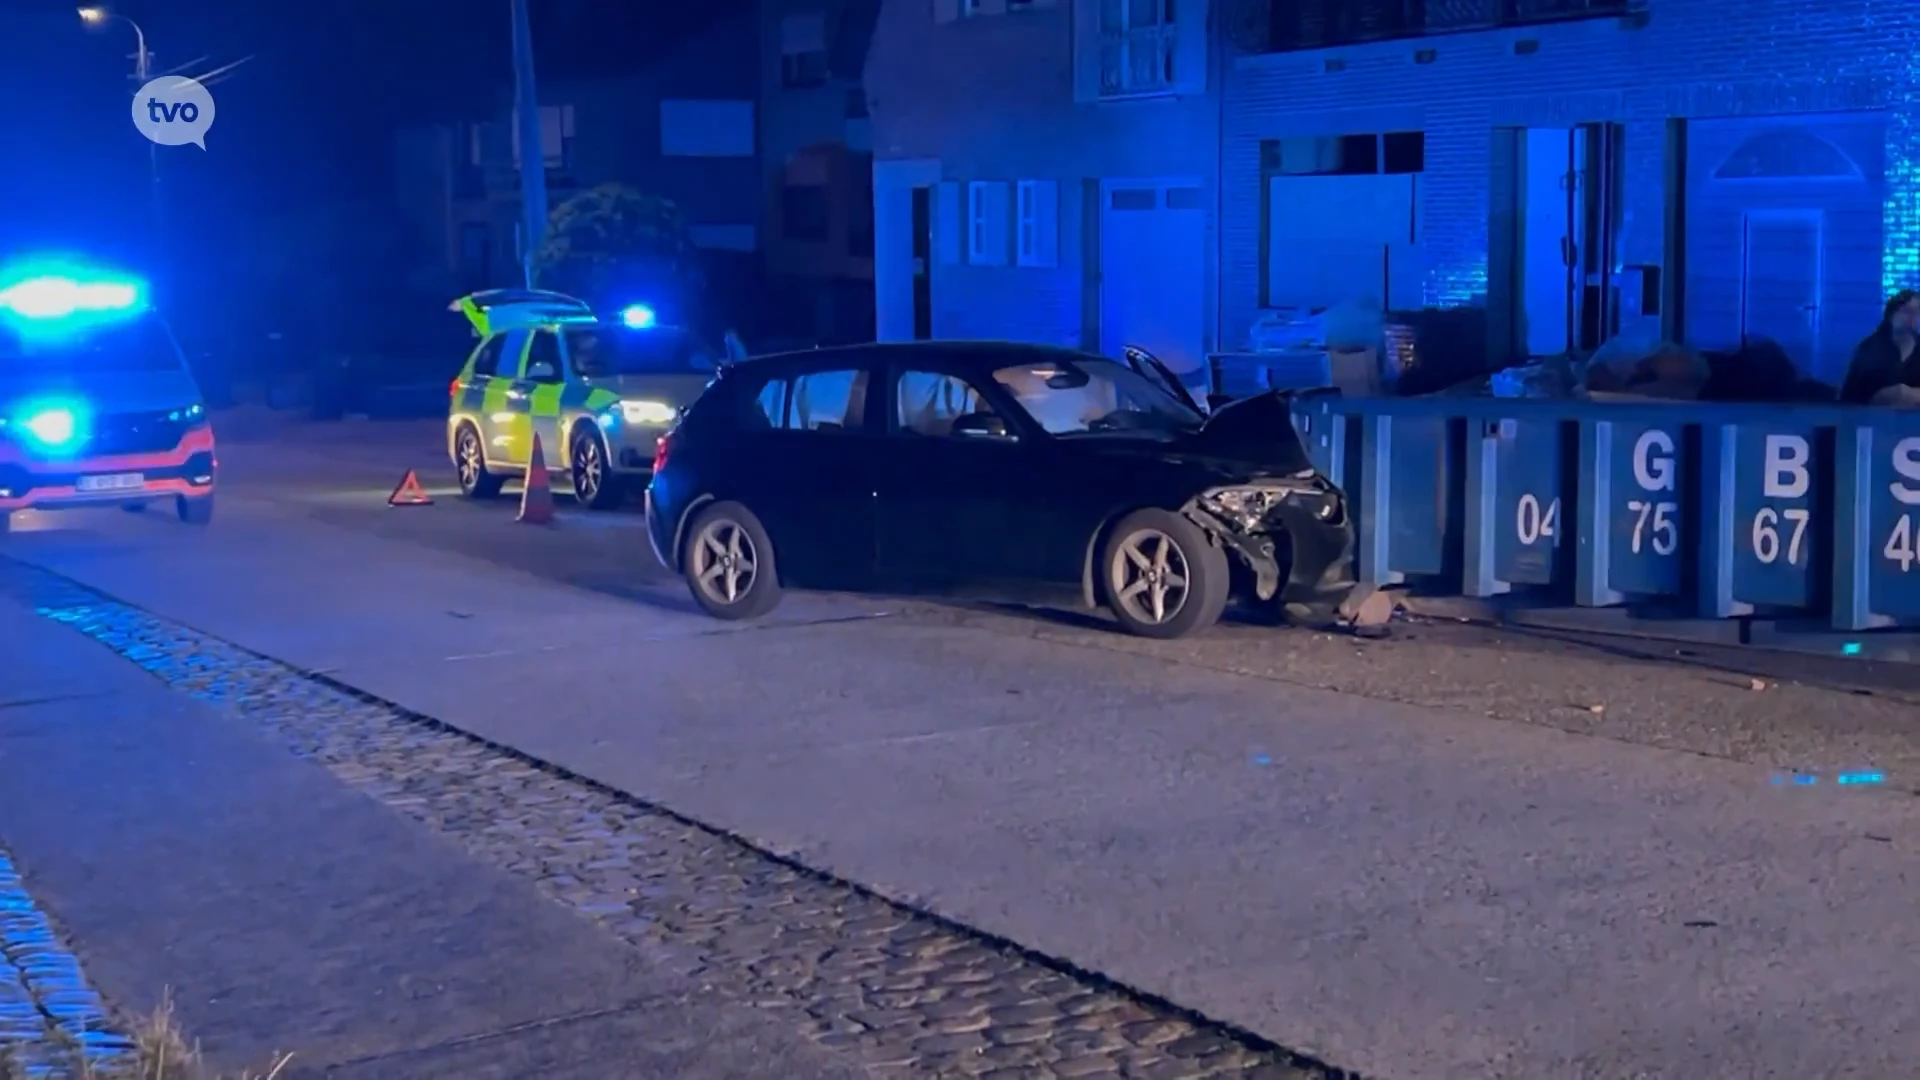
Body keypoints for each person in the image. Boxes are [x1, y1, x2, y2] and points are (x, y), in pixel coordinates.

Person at [1840, 290, 1920, 405]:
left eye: (1915, 312)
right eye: (1905, 311)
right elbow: (1850, 397)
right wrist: (1880, 397)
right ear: (1891, 313)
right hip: (1875, 418)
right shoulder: (1870, 348)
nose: (1910, 317)